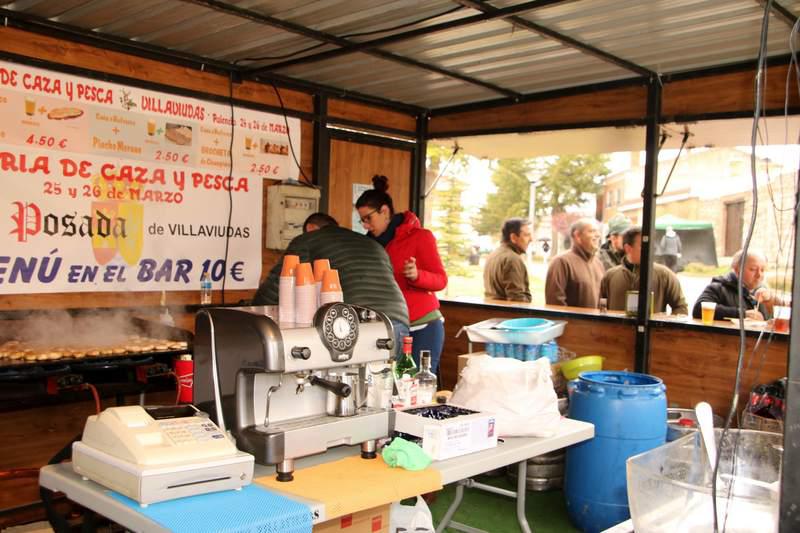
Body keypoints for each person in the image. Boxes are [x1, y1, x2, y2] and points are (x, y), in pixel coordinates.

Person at [253, 212, 410, 351]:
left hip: (354, 322)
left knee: (352, 381)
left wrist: (253, 315)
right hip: (397, 320)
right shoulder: (371, 243)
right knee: (389, 381)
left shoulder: (307, 240)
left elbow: (279, 284)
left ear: (312, 228)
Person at [356, 175, 448, 373]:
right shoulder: (368, 245)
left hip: (422, 326)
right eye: (361, 220)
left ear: (384, 211)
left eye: (368, 218)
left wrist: (417, 276)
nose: (365, 225)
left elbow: (441, 280)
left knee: (416, 386)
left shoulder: (420, 237)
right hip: (387, 327)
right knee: (390, 387)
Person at [600, 226, 688, 314]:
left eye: (651, 245)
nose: (650, 249)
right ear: (628, 248)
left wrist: (662, 325)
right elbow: (601, 309)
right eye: (644, 245)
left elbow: (681, 308)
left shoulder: (665, 275)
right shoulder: (610, 276)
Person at [692, 249, 786, 321]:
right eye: (753, 269)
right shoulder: (718, 288)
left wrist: (770, 302)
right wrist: (741, 314)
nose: (759, 275)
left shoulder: (764, 292)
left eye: (762, 270)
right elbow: (698, 309)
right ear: (737, 270)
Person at [545, 218, 604, 308]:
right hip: (572, 322)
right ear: (577, 236)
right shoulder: (561, 262)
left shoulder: (598, 264)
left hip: (596, 322)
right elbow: (555, 302)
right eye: (592, 231)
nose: (598, 235)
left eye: (598, 232)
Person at [483, 218, 532, 302]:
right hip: (506, 314)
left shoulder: (493, 255)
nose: (531, 239)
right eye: (526, 235)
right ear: (513, 237)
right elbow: (517, 300)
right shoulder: (512, 259)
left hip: (492, 312)